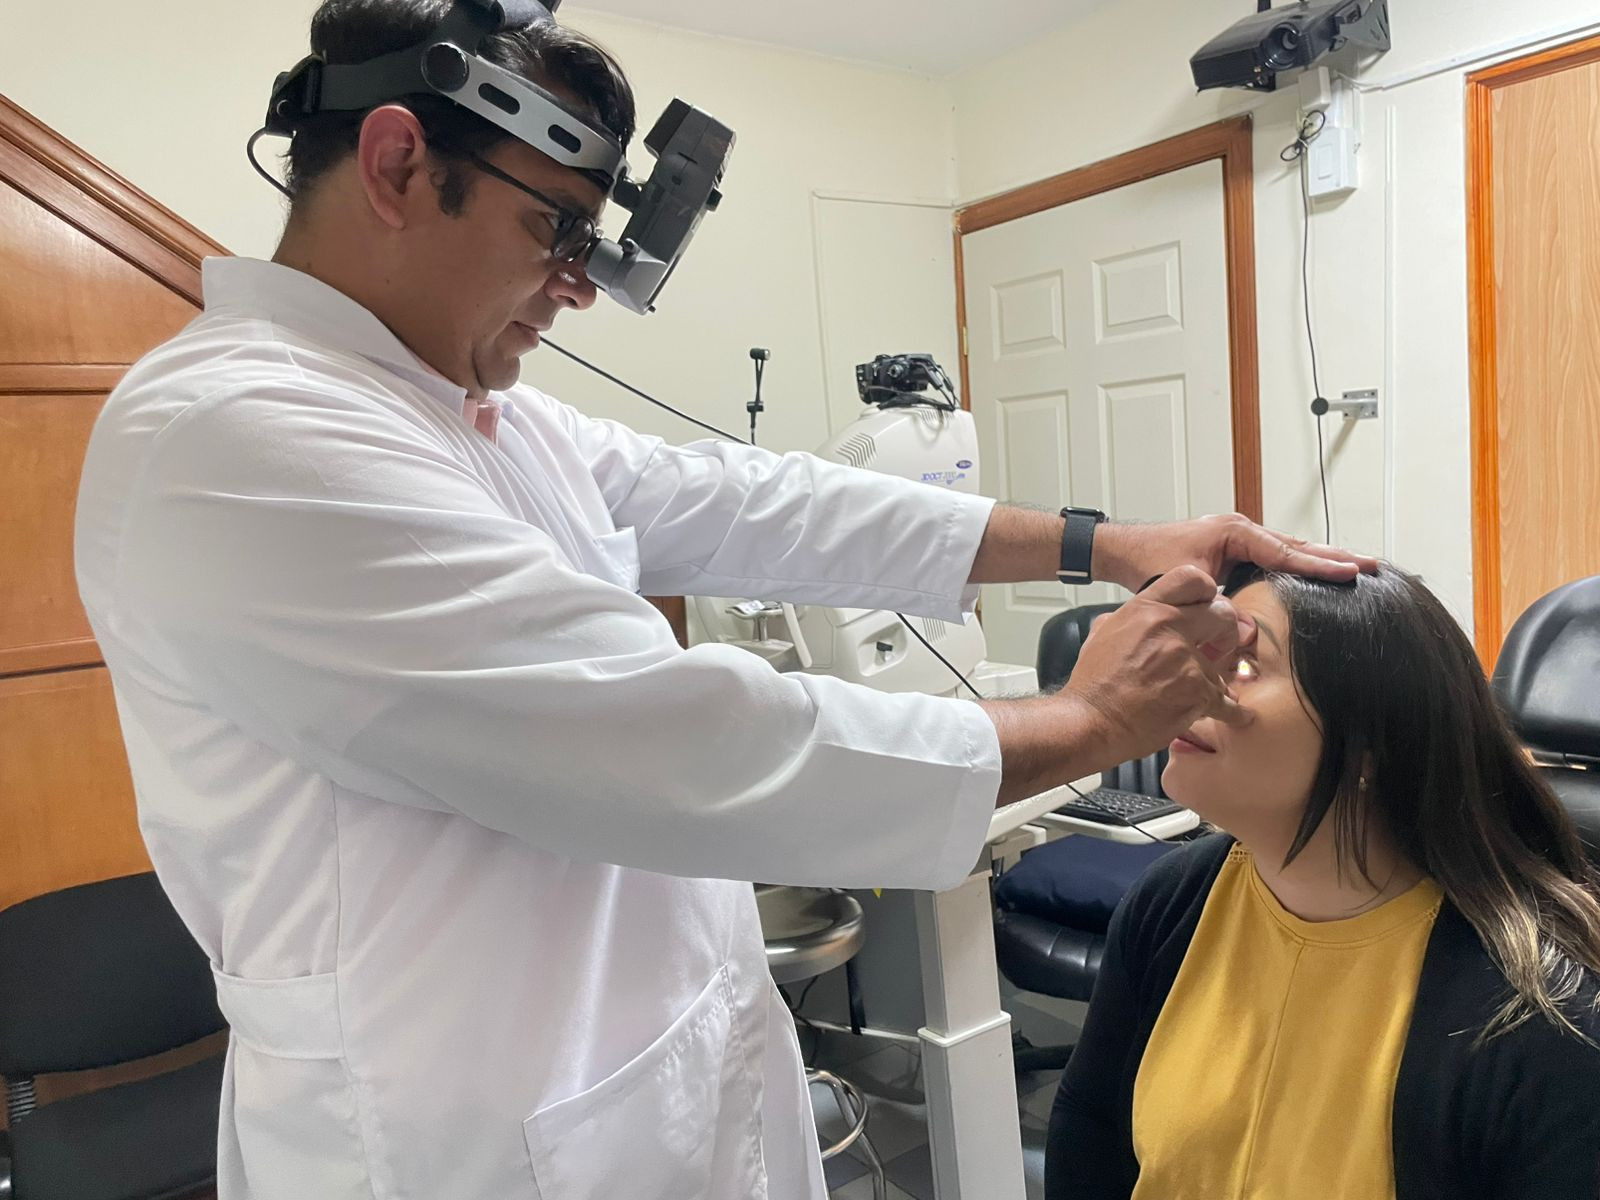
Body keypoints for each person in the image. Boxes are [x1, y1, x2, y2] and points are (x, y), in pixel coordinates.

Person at [72, 3, 1371, 1197]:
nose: (579, 285)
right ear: (400, 165)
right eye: (557, 228)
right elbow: (674, 738)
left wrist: (1101, 543)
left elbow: (757, 503)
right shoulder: (238, 439)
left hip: (650, 1074)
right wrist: (1089, 722)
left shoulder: (471, 412)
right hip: (457, 1135)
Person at [1045, 564, 1600, 1200]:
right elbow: (1090, 1132)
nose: (1188, 681)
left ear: (1368, 743)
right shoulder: (1171, 901)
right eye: (1204, 652)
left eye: (1243, 663)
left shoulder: (1539, 1023)